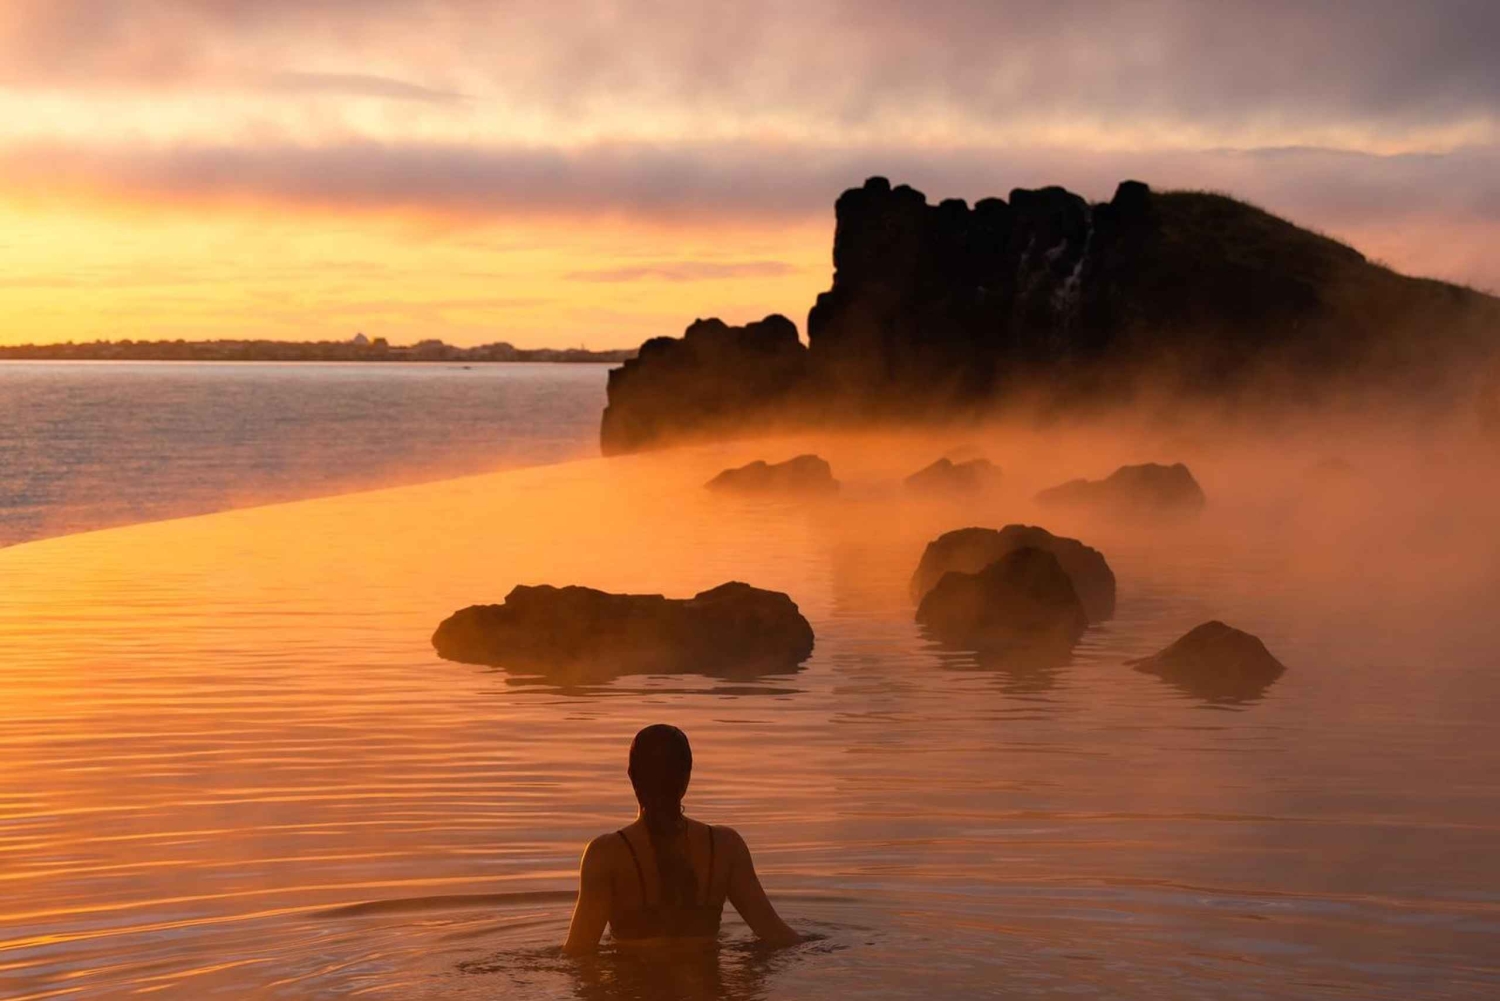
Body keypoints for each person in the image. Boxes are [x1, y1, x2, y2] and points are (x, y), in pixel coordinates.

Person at [563, 724, 801, 954]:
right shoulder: (725, 847)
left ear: (631, 777)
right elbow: (777, 937)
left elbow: (578, 955)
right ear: (686, 778)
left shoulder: (606, 854)